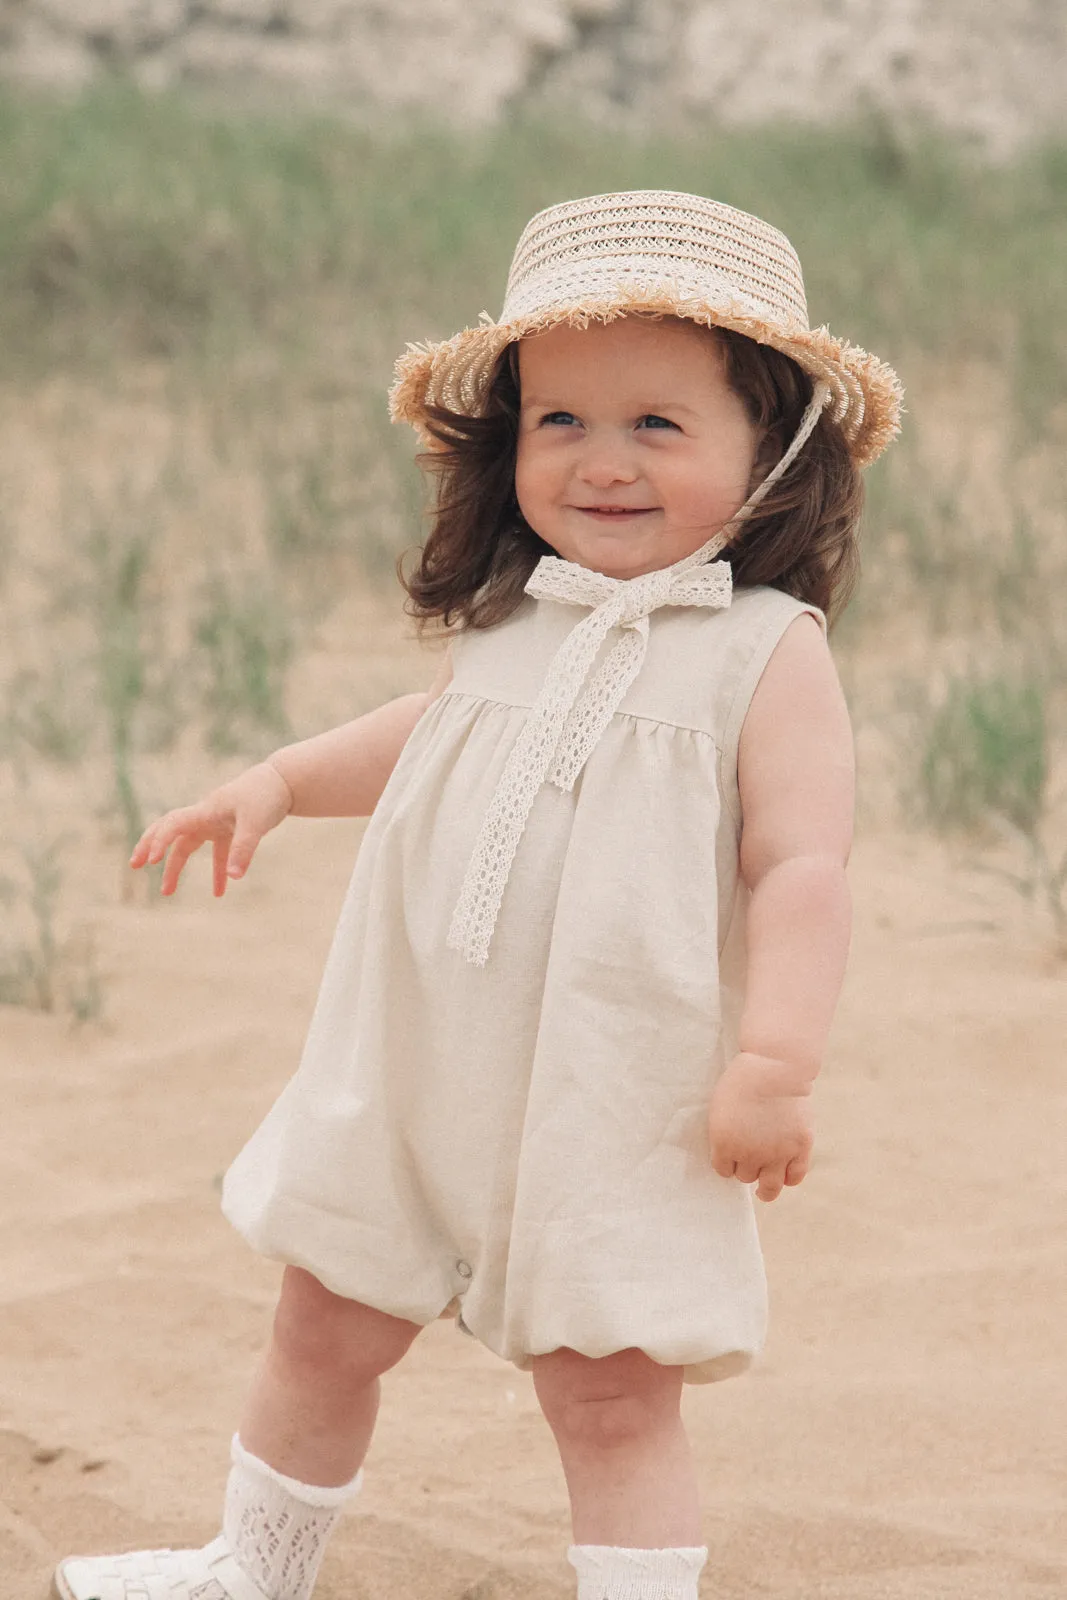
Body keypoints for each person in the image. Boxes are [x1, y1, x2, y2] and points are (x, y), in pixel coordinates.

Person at [53, 189, 902, 1600]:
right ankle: (248, 1571)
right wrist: (272, 782)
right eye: (557, 420)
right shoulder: (524, 615)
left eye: (657, 423)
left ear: (775, 451)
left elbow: (801, 867)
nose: (600, 461)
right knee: (318, 1325)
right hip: (414, 1065)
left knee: (611, 1387)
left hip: (613, 1088)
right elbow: (428, 733)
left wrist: (775, 1062)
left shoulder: (762, 653)